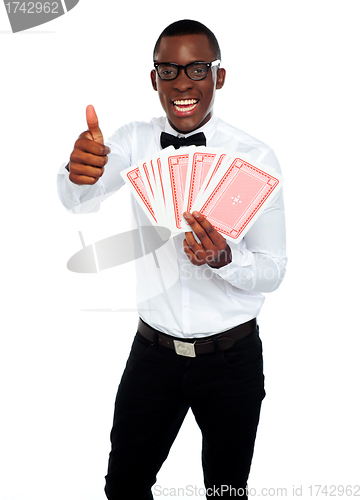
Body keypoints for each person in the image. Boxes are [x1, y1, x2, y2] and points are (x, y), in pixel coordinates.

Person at [57, 19, 287, 500]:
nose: (183, 83)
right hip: (152, 356)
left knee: (226, 492)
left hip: (232, 360)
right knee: (123, 487)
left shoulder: (255, 157)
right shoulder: (133, 141)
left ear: (218, 77)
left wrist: (226, 258)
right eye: (168, 70)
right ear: (154, 78)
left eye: (197, 69)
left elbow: (272, 270)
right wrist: (77, 175)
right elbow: (83, 196)